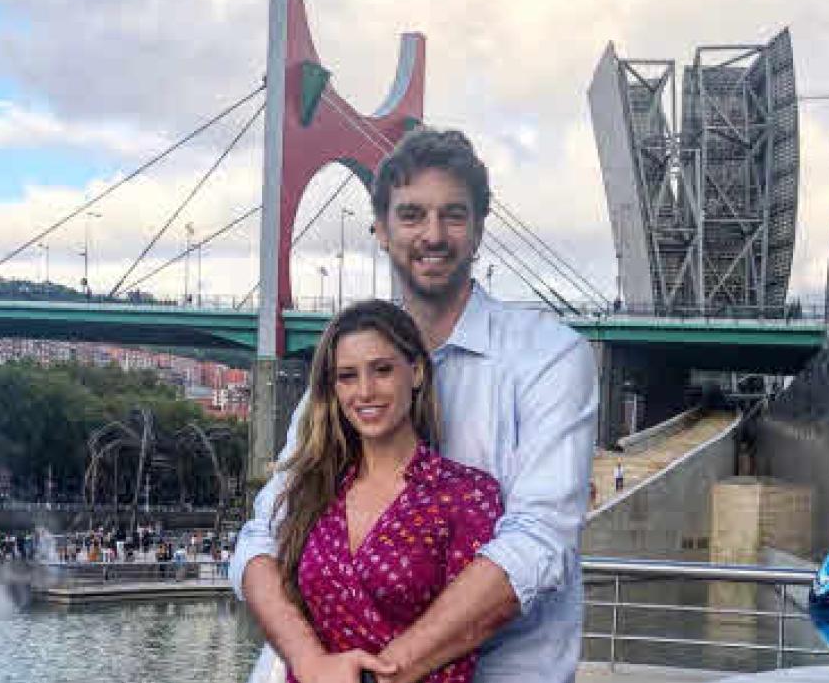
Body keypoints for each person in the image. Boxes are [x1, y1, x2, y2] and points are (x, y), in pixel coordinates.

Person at [232, 128, 598, 683]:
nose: (433, 235)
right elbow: (264, 534)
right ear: (380, 230)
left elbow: (537, 543)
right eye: (411, 215)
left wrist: (381, 673)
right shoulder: (345, 373)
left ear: (479, 229)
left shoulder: (549, 357)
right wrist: (308, 661)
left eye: (453, 215)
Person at [282, 300, 502, 682]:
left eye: (382, 370)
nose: (365, 391)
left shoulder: (466, 495)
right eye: (347, 376)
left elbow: (465, 640)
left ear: (416, 372)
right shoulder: (315, 489)